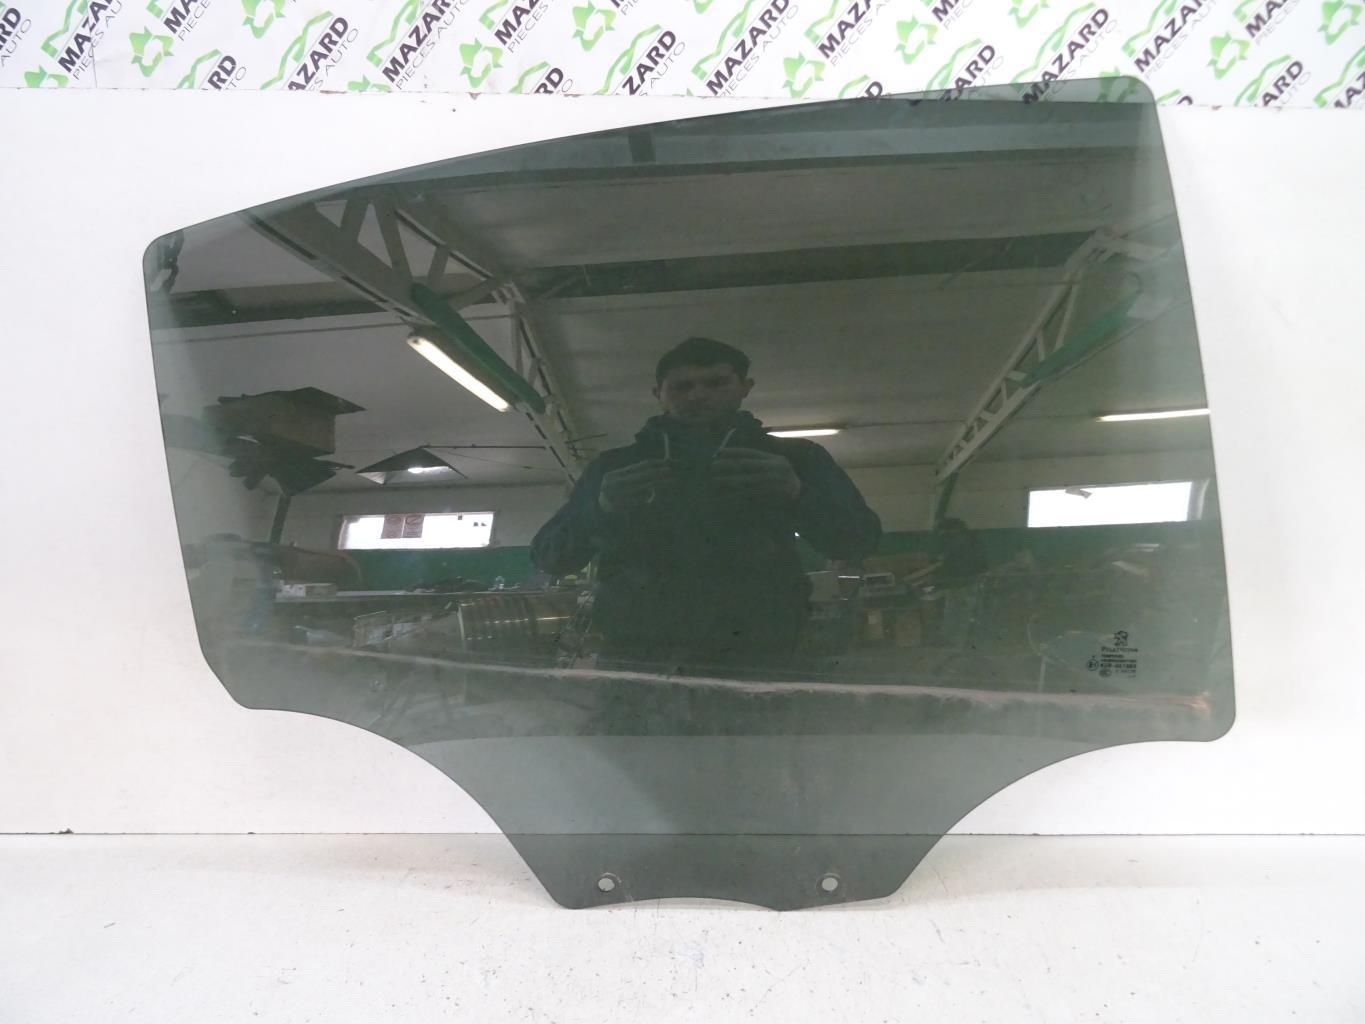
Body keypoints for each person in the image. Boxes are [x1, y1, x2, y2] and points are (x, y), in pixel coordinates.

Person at [531, 337, 881, 671]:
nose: (698, 395)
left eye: (716, 383)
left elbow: (859, 541)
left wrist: (797, 492)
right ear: (658, 394)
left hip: (759, 654)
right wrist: (601, 508)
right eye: (681, 387)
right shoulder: (615, 468)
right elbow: (549, 557)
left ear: (745, 387)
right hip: (639, 654)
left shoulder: (794, 459)